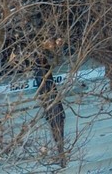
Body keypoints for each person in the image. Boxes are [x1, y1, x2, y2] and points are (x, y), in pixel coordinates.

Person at [34, 39, 65, 167]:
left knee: (57, 125)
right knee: (57, 126)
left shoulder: (40, 68)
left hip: (51, 101)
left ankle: (61, 154)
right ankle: (61, 155)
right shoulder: (41, 68)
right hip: (52, 102)